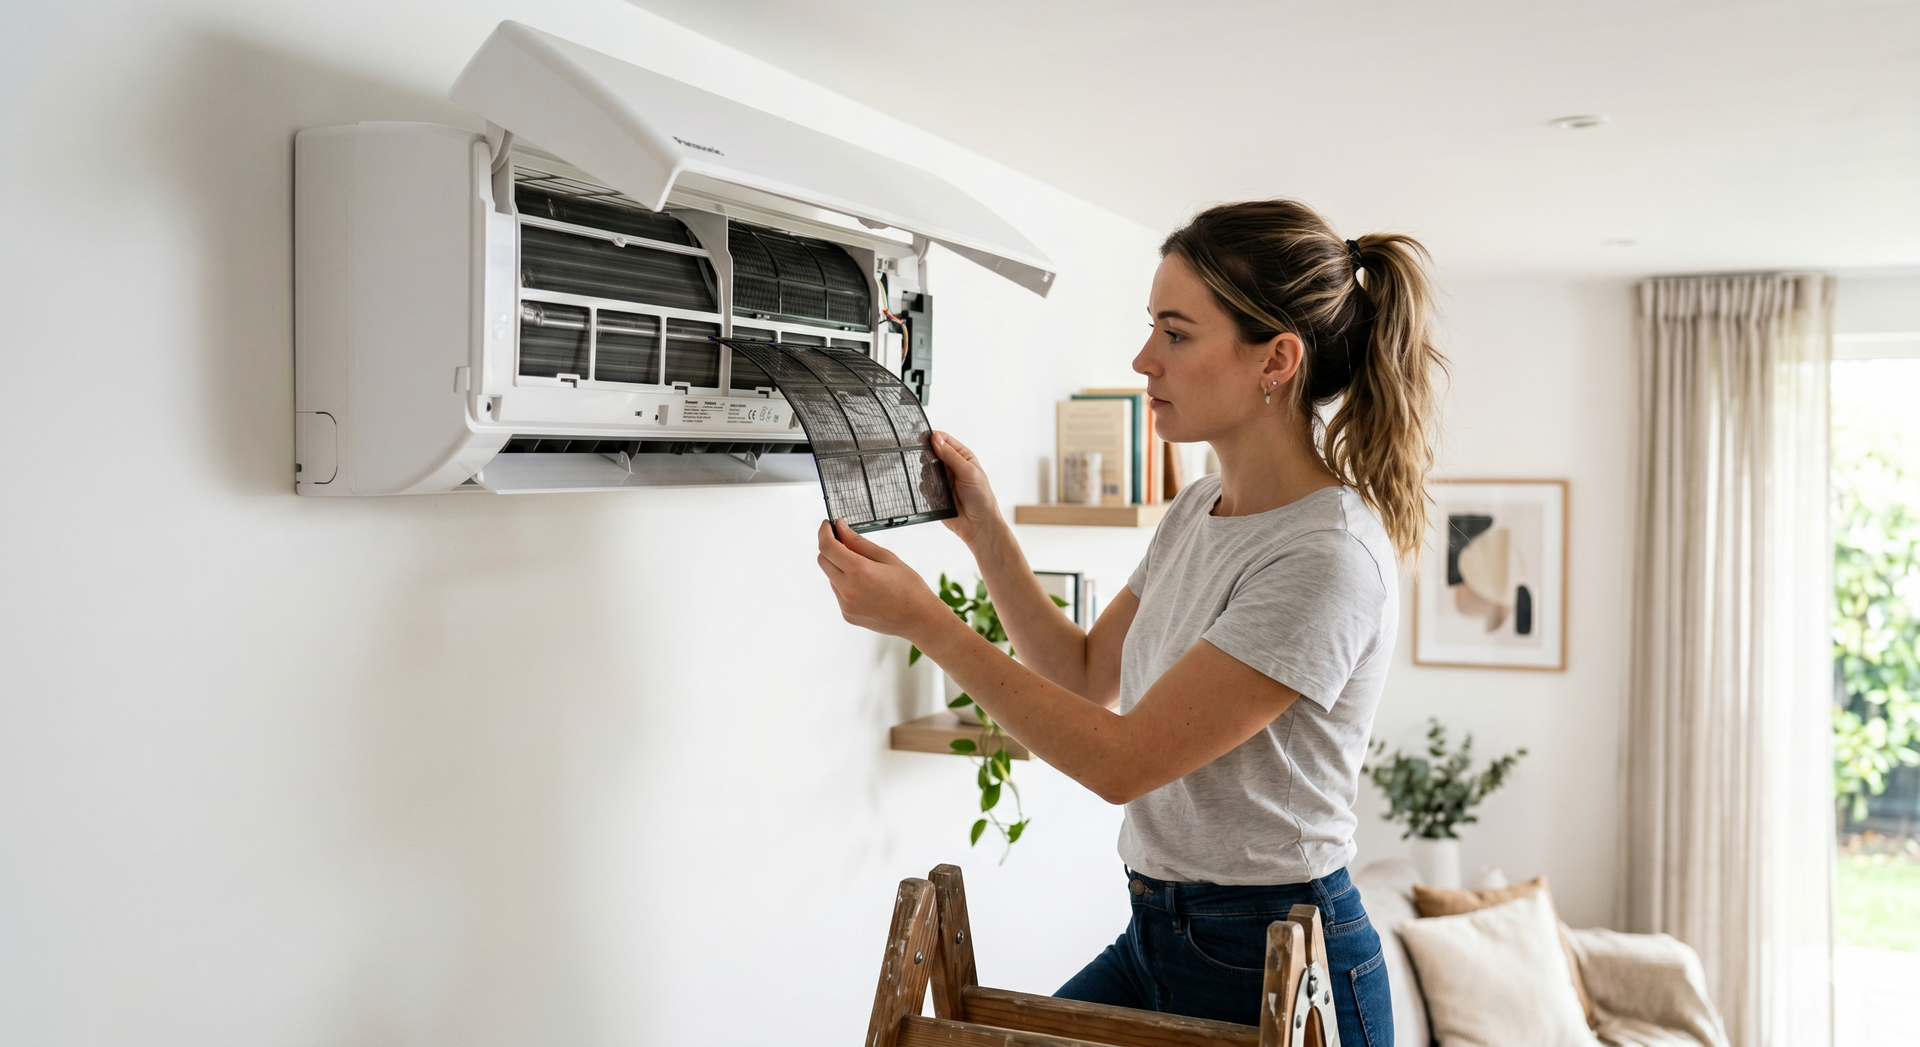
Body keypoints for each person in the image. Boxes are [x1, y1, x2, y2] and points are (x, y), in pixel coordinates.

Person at [814, 199, 1441, 1047]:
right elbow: (1080, 670)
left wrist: (929, 623)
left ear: (1277, 359)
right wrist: (987, 530)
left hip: (1283, 964)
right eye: (1153, 328)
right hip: (1158, 930)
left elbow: (1124, 760)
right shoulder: (1195, 511)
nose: (1145, 359)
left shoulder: (1327, 554)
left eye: (1176, 334)